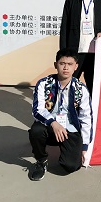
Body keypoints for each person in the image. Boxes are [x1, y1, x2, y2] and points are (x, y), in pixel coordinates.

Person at [28, 48, 93, 181]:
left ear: (76, 67)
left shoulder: (81, 89)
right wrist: (53, 123)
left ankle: (68, 151)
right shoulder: (44, 84)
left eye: (70, 64)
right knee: (36, 130)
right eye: (62, 63)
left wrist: (84, 146)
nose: (65, 68)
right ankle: (41, 161)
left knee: (71, 166)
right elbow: (37, 110)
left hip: (70, 129)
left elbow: (86, 117)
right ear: (55, 65)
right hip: (49, 127)